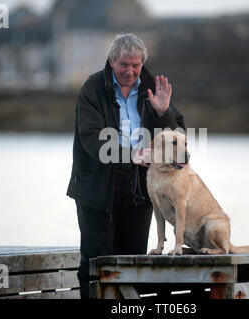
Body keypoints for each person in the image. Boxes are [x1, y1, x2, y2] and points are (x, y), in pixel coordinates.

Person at [66, 33, 185, 299]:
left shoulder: (152, 87)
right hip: (96, 188)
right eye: (124, 65)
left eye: (136, 65)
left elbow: (178, 138)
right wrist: (128, 154)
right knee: (96, 266)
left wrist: (163, 113)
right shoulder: (93, 87)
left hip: (140, 188)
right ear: (111, 61)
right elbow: (90, 138)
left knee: (133, 264)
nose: (130, 71)